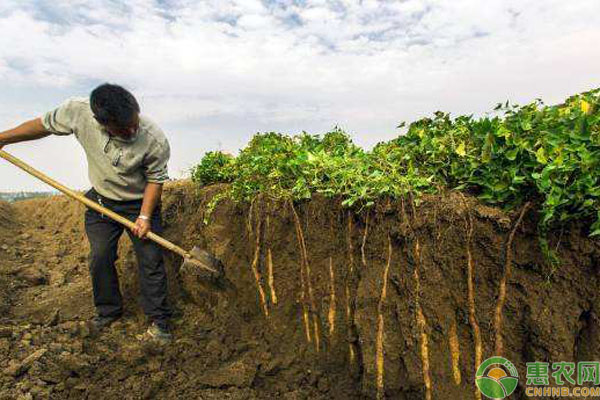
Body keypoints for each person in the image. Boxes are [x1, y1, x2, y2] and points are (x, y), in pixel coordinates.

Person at [0, 84, 173, 342]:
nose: (132, 130)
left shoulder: (154, 139)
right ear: (102, 123)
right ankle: (108, 311)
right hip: (100, 203)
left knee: (151, 261)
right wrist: (3, 138)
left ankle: (159, 323)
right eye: (124, 129)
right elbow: (42, 125)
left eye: (134, 123)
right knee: (100, 257)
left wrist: (145, 217)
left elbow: (155, 180)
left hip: (139, 203)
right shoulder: (78, 112)